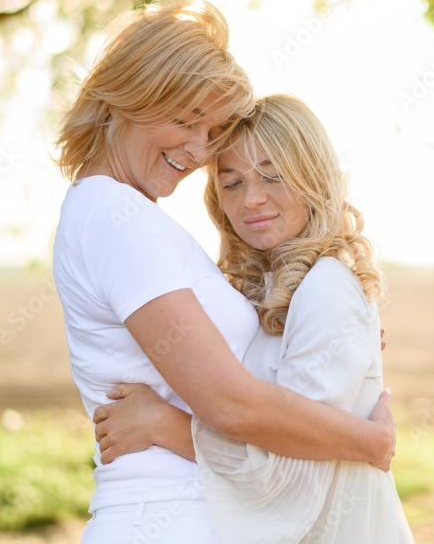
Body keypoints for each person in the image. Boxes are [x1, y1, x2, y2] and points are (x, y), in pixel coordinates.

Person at [51, 0, 395, 544]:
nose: (197, 152)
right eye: (187, 121)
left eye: (209, 132)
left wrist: (328, 332)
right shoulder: (117, 219)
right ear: (129, 96)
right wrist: (370, 442)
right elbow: (229, 403)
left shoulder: (122, 216)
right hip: (164, 518)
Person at [95, 93, 416, 543]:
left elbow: (289, 476)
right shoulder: (268, 292)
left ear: (313, 177)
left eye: (272, 176)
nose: (252, 200)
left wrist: (163, 425)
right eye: (232, 183)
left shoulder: (325, 287)